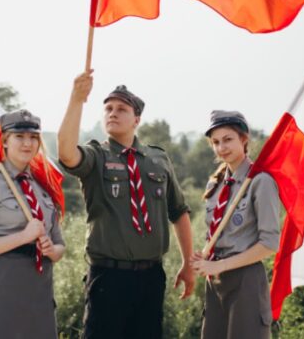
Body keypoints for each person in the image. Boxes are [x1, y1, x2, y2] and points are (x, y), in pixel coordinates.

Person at [57, 70, 195, 339]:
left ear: (137, 119)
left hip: (151, 277)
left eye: (121, 108)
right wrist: (76, 99)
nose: (112, 113)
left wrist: (188, 263)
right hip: (108, 278)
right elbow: (65, 152)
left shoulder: (158, 159)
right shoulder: (96, 155)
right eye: (108, 108)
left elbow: (178, 211)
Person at [0, 109, 65, 339]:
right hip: (0, 293)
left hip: (39, 296)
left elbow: (60, 247)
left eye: (33, 137)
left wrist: (51, 250)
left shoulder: (44, 187)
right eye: (19, 137)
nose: (27, 143)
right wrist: (23, 237)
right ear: (4, 141)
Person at [190, 110, 281, 339]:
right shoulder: (215, 183)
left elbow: (270, 244)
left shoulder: (260, 181)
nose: (221, 148)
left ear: (244, 138)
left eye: (228, 139)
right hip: (215, 282)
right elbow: (217, 232)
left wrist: (221, 266)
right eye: (216, 142)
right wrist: (205, 258)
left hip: (245, 280)